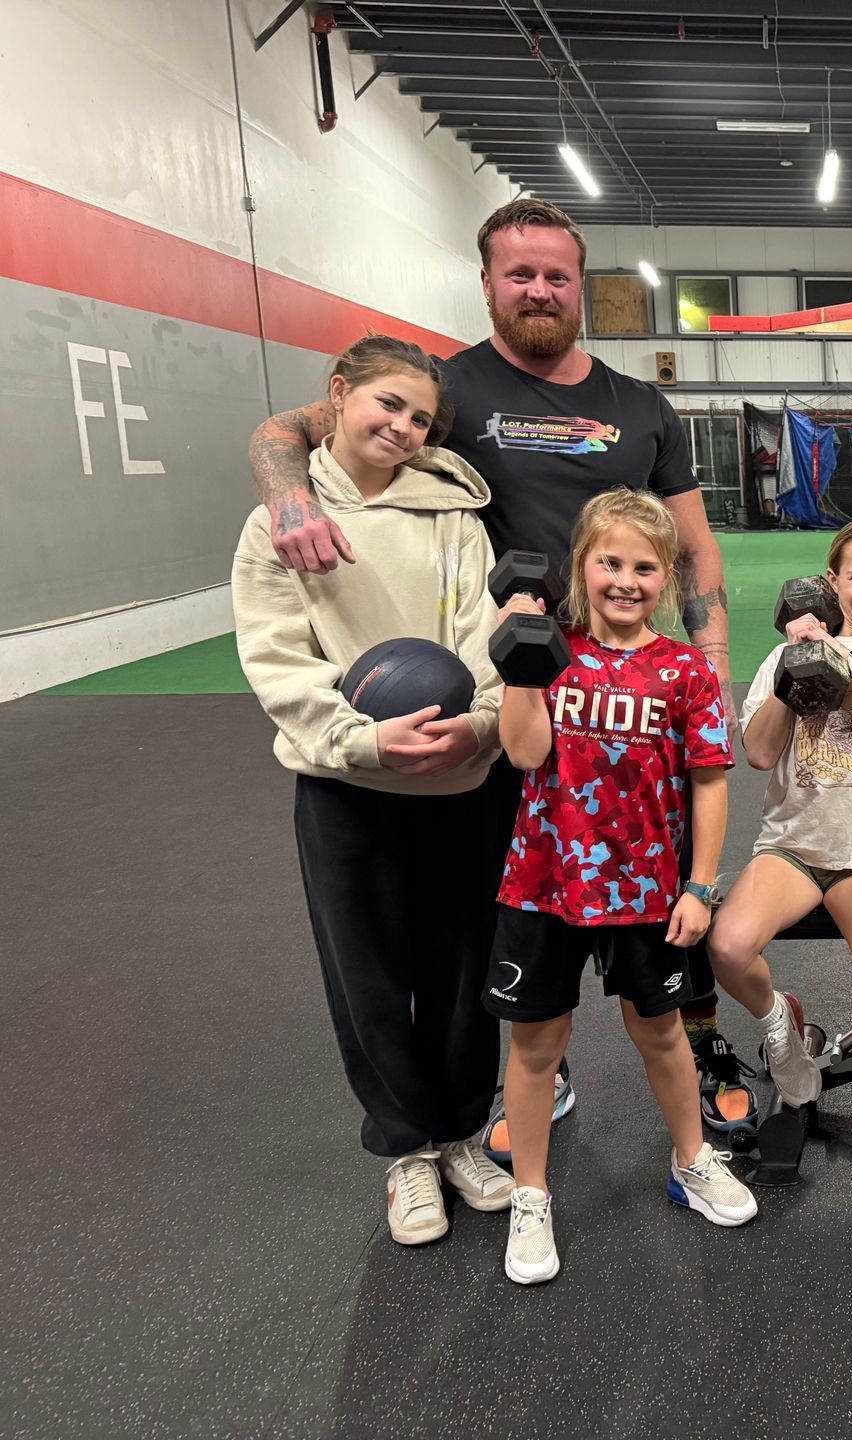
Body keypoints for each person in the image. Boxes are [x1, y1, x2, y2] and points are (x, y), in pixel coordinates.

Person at [243, 197, 751, 1149]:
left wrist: (712, 667)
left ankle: (701, 1043)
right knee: (520, 905)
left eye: (558, 274)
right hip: (512, 691)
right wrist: (287, 501)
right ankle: (533, 1072)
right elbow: (290, 428)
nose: (540, 290)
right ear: (486, 283)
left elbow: (693, 547)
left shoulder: (640, 404)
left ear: (581, 285)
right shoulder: (444, 389)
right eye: (520, 273)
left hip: (637, 691)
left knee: (669, 880)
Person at [231, 335, 514, 1246]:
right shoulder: (280, 524)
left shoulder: (455, 515)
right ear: (338, 393)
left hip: (460, 780)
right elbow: (278, 659)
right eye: (388, 404)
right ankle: (407, 1151)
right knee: (370, 976)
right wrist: (365, 740)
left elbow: (484, 636)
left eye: (420, 418)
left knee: (465, 970)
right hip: (346, 788)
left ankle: (462, 1134)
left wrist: (479, 725)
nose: (401, 427)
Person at [489, 489, 751, 1285]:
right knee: (537, 1045)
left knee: (662, 1032)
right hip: (545, 882)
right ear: (582, 565)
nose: (626, 581)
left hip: (645, 888)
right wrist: (520, 665)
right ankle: (530, 1194)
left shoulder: (684, 670)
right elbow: (525, 753)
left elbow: (709, 783)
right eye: (610, 563)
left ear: (666, 576)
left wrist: (700, 887)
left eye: (644, 567)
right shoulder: (550, 651)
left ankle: (691, 1161)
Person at [708, 520, 852, 1181]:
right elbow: (758, 753)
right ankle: (780, 1025)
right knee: (728, 946)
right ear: (832, 580)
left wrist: (845, 654)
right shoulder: (783, 653)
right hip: (792, 846)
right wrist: (795, 667)